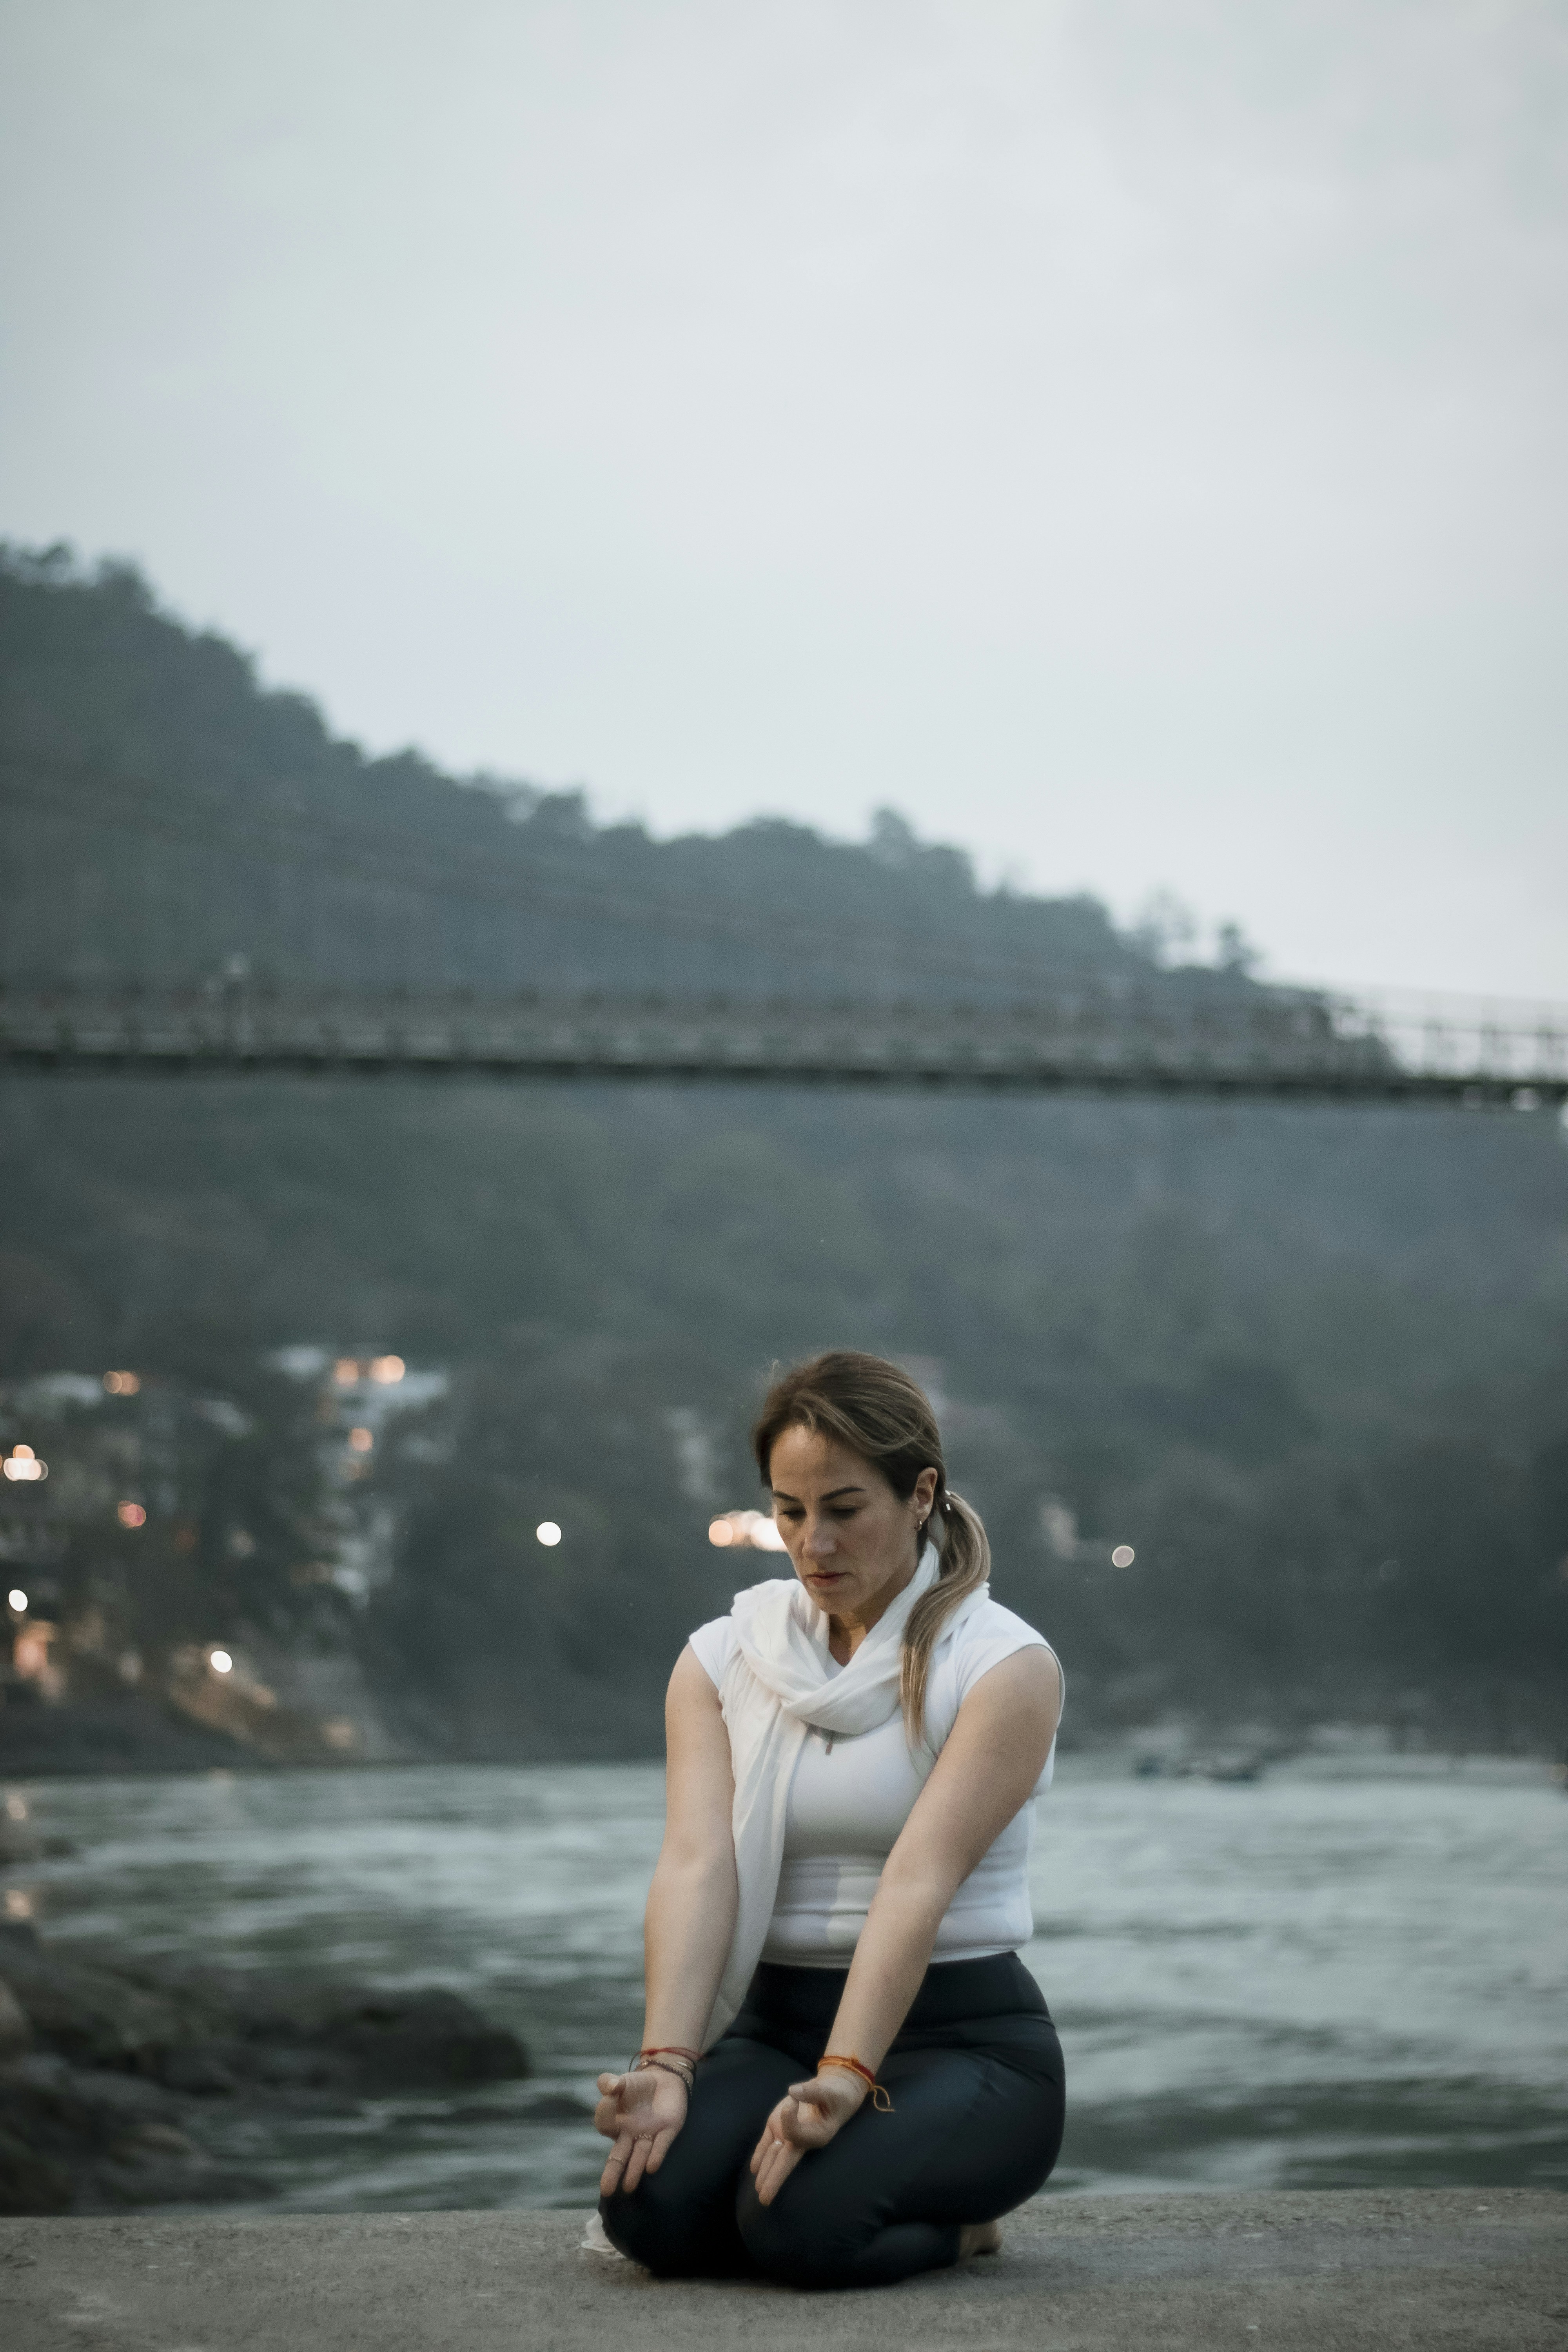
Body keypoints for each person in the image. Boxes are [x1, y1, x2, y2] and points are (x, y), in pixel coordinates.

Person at [594, 1349, 1065, 2290]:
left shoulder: (1002, 1665)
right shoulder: (726, 1655)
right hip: (773, 2027)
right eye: (789, 1511)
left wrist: (849, 2070)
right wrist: (668, 2062)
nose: (813, 1544)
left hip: (959, 2039)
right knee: (646, 2212)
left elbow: (917, 1879)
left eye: (844, 1511)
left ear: (919, 1492)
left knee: (802, 2233)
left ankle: (968, 2228)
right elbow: (696, 1864)